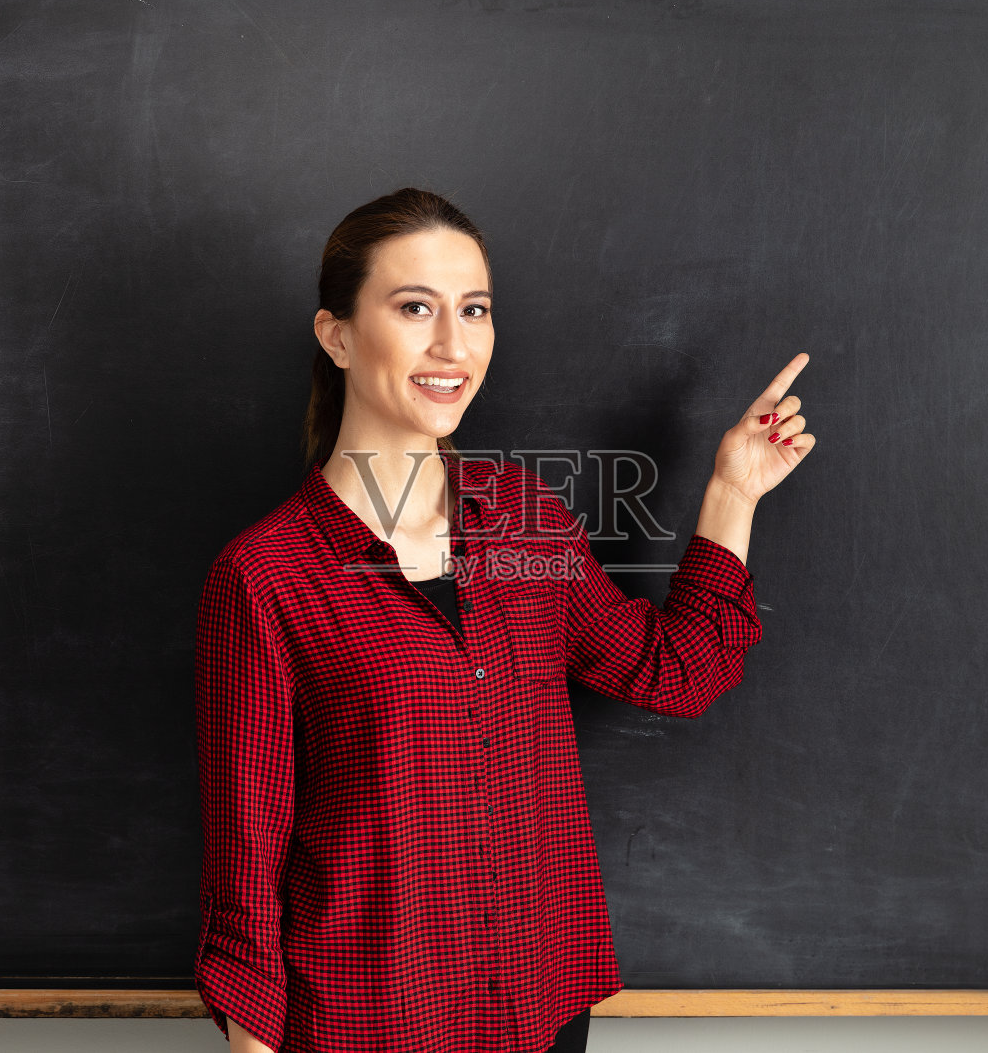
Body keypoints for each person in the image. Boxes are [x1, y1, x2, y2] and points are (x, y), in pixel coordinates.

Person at [193, 187, 814, 1053]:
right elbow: (247, 866)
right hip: (369, 1020)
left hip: (539, 1001)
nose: (454, 345)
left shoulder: (527, 518)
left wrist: (733, 492)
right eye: (416, 308)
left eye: (474, 310)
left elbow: (678, 672)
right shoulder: (264, 576)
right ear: (336, 334)